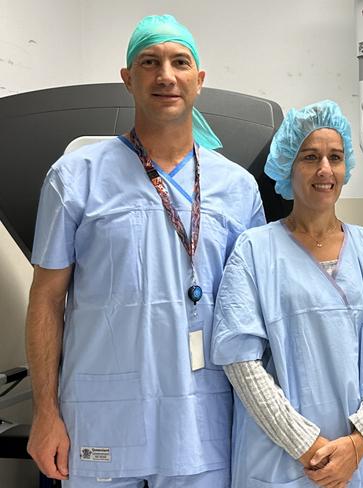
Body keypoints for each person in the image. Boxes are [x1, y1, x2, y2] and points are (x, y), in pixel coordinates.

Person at [25, 14, 265, 487]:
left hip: (204, 419)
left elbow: (254, 313)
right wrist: (45, 411)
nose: (166, 75)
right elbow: (46, 299)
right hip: (100, 415)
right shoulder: (76, 177)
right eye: (149, 62)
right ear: (128, 79)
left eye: (180, 62)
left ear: (199, 80)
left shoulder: (238, 188)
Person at [211, 100, 363, 487]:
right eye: (310, 157)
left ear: (346, 167)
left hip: (359, 460)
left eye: (335, 157)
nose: (324, 169)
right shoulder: (254, 251)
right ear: (288, 165)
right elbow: (241, 363)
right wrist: (308, 446)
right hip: (281, 461)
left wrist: (357, 442)